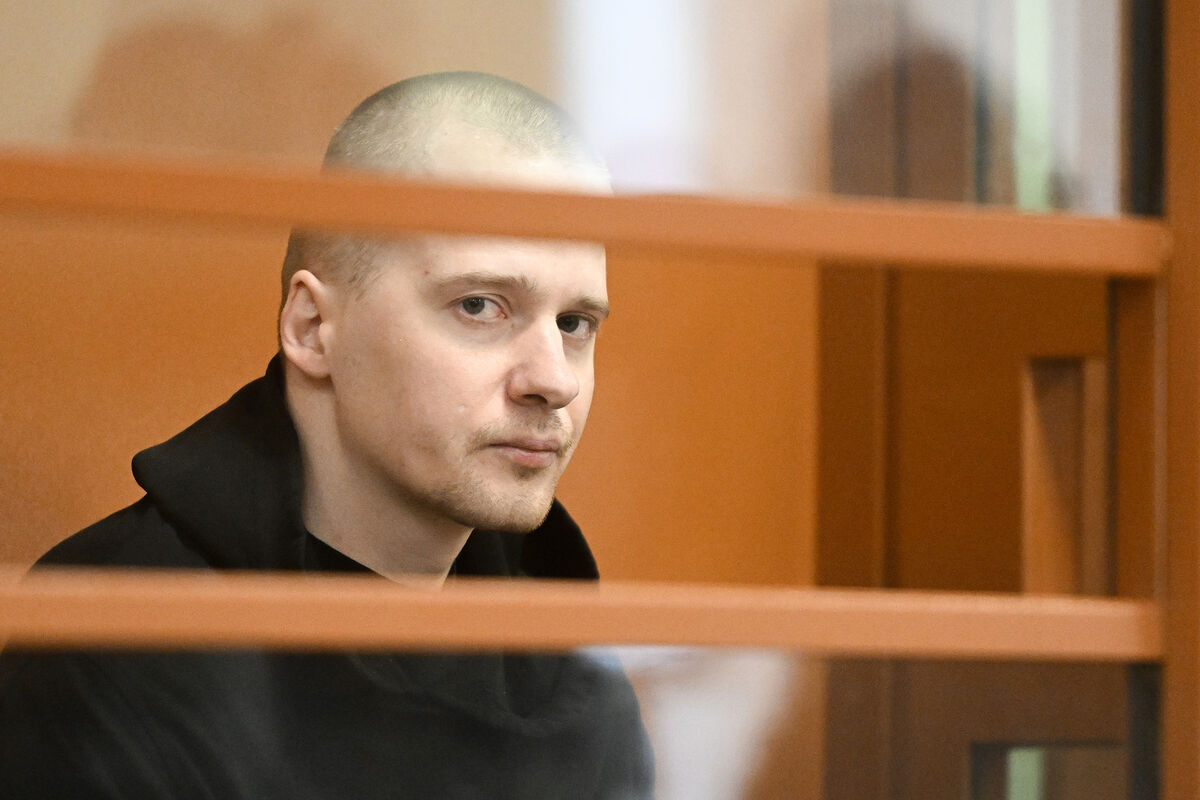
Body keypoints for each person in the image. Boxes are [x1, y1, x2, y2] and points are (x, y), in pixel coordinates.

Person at [0, 72, 653, 799]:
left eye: (575, 324)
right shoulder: (119, 643)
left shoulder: (572, 673)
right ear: (313, 328)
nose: (554, 380)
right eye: (479, 306)